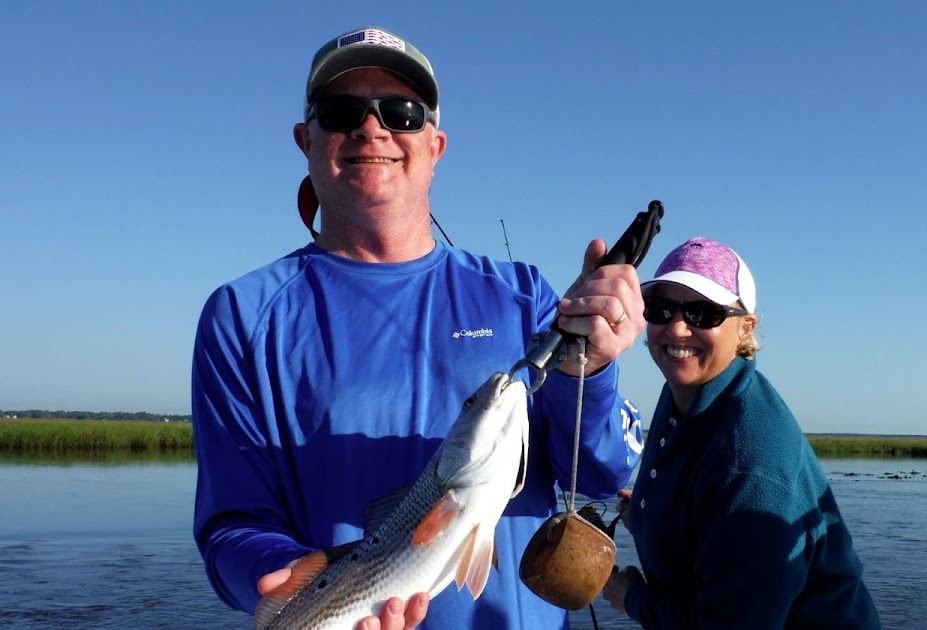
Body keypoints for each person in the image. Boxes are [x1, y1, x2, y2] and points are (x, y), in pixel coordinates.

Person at [191, 26, 645, 630]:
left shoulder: (525, 296)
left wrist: (590, 369)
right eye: (341, 111)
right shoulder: (242, 316)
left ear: (436, 146)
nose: (372, 128)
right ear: (306, 140)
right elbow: (230, 525)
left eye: (402, 114)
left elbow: (600, 473)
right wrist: (286, 575)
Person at [600, 237, 880, 628]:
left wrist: (630, 597)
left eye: (703, 313)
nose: (677, 328)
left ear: (746, 329)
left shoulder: (750, 465)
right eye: (661, 309)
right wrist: (648, 513)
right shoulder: (686, 393)